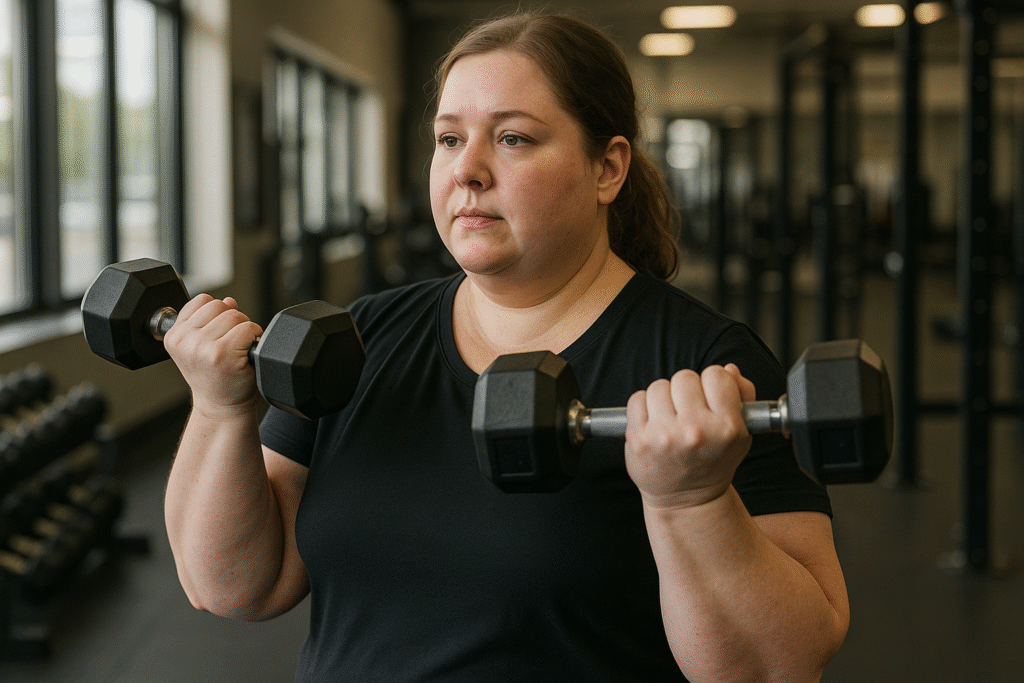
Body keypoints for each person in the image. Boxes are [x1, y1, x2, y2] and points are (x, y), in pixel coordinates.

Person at [162, 11, 849, 683]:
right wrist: (220, 410)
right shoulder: (361, 337)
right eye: (449, 139)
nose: (469, 170)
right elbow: (233, 586)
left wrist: (692, 501)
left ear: (608, 168)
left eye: (513, 138)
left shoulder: (706, 368)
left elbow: (778, 666)